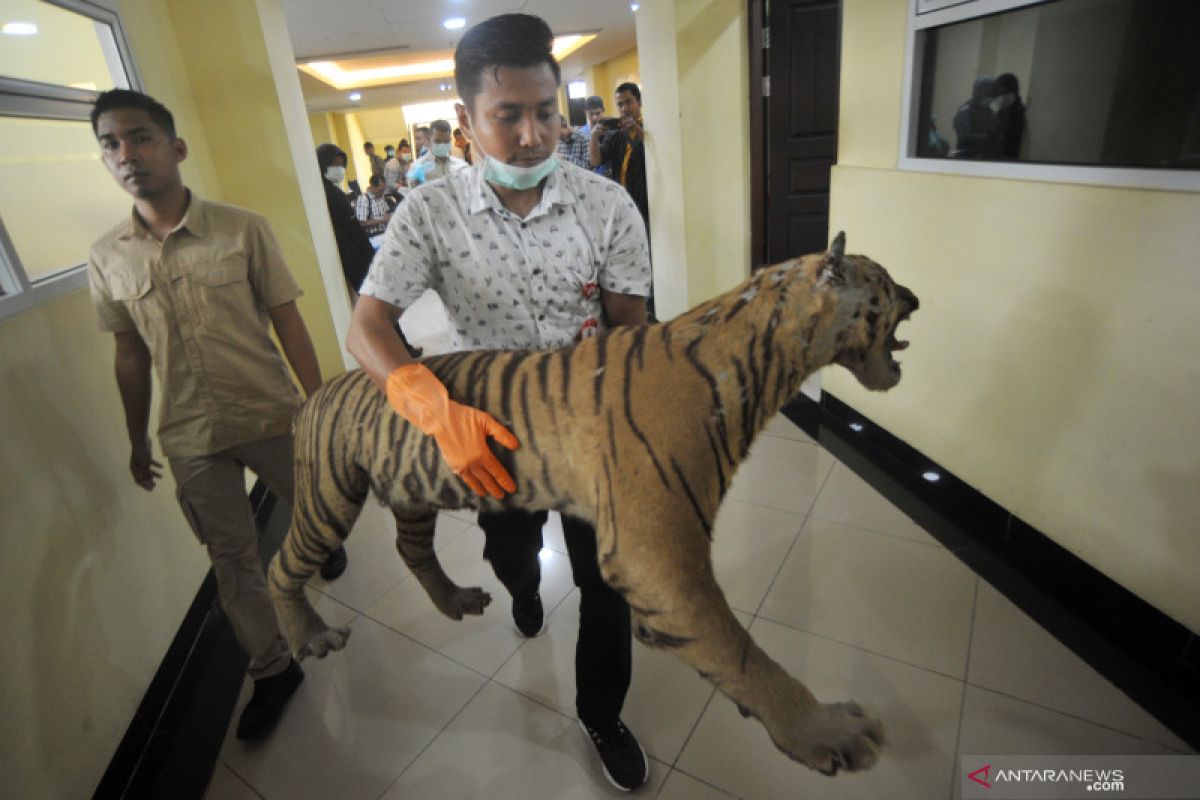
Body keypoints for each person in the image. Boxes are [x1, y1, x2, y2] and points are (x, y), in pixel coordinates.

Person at [346, 13, 652, 791]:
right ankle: (520, 589)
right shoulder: (430, 213)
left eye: (546, 111)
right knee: (510, 553)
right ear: (466, 121)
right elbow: (369, 326)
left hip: (588, 434)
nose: (531, 135)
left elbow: (630, 326)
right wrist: (430, 406)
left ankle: (603, 712)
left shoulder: (606, 206)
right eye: (507, 116)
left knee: (605, 583)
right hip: (492, 435)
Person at [86, 89, 346, 742]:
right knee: (232, 560)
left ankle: (325, 546)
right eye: (111, 144)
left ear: (175, 148)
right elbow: (127, 352)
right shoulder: (107, 256)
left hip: (268, 410)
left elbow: (287, 316)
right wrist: (135, 436)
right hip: (188, 434)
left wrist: (317, 405)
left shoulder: (241, 228)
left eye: (139, 137)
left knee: (316, 510)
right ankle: (272, 669)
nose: (126, 155)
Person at [591, 82, 648, 239]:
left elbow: (654, 151)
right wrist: (594, 137)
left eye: (628, 102)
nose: (624, 109)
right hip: (621, 203)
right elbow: (595, 161)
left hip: (646, 204)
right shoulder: (615, 135)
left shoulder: (649, 127)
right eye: (620, 104)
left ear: (640, 102)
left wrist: (636, 128)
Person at [317, 143, 374, 296]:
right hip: (353, 257)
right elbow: (352, 229)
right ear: (322, 164)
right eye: (334, 164)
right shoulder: (330, 194)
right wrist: (370, 256)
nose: (339, 169)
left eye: (342, 165)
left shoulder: (331, 190)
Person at [406, 119, 469, 186]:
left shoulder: (461, 166)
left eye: (446, 141)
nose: (442, 145)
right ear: (429, 139)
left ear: (450, 140)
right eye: (438, 141)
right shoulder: (417, 167)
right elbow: (412, 192)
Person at [983, 72, 1025, 160]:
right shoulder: (1000, 109)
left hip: (1003, 161)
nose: (994, 93)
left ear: (1006, 89)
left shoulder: (1015, 113)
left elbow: (1006, 142)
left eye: (997, 89)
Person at [951, 76, 993, 159]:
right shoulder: (965, 111)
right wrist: (988, 138)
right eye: (989, 95)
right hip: (966, 158)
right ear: (980, 94)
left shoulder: (989, 111)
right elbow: (964, 136)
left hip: (983, 157)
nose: (991, 100)